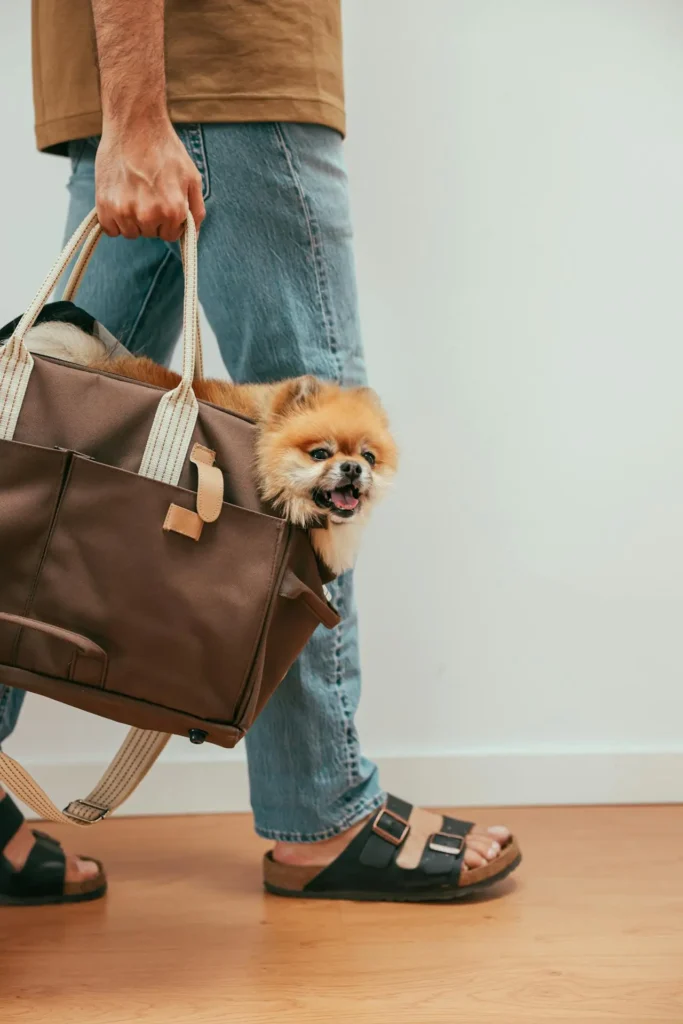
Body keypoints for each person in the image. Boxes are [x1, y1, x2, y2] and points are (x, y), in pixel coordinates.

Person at [0, 0, 521, 905]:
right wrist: (136, 110)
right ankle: (322, 810)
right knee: (319, 449)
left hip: (145, 82)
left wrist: (126, 106)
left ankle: (317, 798)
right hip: (219, 74)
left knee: (45, 445)